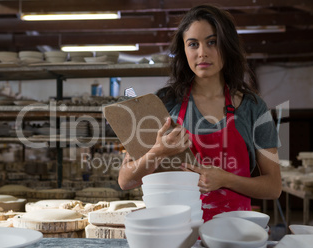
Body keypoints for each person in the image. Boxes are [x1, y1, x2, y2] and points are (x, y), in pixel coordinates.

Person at [118, 4, 282, 222]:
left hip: (235, 235)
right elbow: (125, 180)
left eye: (212, 42)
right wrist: (157, 152)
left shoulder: (252, 107)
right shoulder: (163, 103)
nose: (202, 52)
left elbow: (273, 187)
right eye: (193, 44)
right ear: (184, 51)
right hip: (177, 232)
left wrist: (225, 179)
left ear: (227, 46)